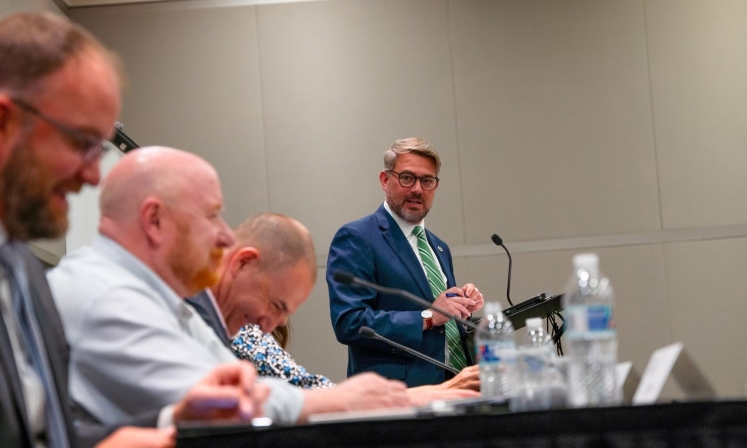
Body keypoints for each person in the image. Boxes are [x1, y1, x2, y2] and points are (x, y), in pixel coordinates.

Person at [0, 12, 263, 448]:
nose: (95, 178)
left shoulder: (22, 267)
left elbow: (41, 432)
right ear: (1, 122)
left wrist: (168, 421)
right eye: (82, 143)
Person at [48, 147, 411, 429]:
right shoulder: (107, 294)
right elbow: (220, 403)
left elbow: (245, 389)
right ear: (155, 220)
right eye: (211, 215)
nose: (225, 235)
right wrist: (337, 401)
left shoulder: (164, 302)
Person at [188, 213, 480, 400]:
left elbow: (293, 391)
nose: (277, 324)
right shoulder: (197, 320)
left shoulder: (438, 246)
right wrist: (433, 392)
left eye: (429, 180)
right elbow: (302, 391)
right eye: (276, 304)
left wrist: (440, 390)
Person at [326, 138, 485, 388]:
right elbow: (350, 322)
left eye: (427, 181)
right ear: (384, 180)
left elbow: (441, 320)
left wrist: (461, 305)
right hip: (397, 394)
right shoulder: (358, 238)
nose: (417, 190)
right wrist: (428, 316)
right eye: (407, 178)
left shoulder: (438, 246)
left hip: (455, 386)